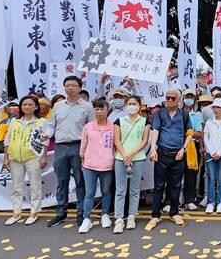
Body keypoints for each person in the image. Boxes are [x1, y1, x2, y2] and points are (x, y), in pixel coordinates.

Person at [42, 76, 94, 228]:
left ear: (79, 88)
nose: (70, 88)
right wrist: (47, 134)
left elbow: (90, 128)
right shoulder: (58, 106)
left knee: (80, 181)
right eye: (67, 85)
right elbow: (51, 125)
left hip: (79, 146)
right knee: (61, 180)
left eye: (73, 85)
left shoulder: (87, 106)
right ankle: (61, 212)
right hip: (60, 146)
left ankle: (81, 213)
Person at [146, 88, 193, 230]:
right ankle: (155, 214)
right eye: (168, 97)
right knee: (159, 185)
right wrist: (153, 148)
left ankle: (174, 212)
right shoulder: (159, 113)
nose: (170, 100)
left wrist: (184, 148)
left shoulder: (184, 115)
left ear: (179, 100)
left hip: (178, 154)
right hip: (162, 153)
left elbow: (189, 133)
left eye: (173, 98)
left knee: (176, 185)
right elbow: (155, 131)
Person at [2, 95, 47, 226]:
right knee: (16, 186)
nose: (27, 107)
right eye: (24, 104)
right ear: (21, 107)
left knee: (35, 185)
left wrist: (44, 156)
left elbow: (45, 141)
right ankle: (16, 212)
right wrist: (6, 157)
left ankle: (34, 212)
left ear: (36, 107)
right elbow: (7, 140)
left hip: (33, 157)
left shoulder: (41, 122)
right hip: (15, 157)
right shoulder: (14, 121)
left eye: (30, 104)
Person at [113, 95, 150, 233]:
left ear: (139, 106)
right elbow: (117, 140)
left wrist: (131, 155)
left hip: (138, 158)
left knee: (135, 190)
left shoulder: (145, 122)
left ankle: (131, 217)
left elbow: (144, 141)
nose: (132, 106)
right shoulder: (119, 121)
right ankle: (118, 219)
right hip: (120, 159)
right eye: (129, 103)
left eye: (134, 103)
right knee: (120, 190)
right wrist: (124, 155)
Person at [79, 99, 115, 233]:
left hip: (107, 164)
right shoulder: (88, 126)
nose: (99, 112)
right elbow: (83, 145)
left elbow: (116, 145)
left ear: (107, 110)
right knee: (89, 193)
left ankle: (105, 214)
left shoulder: (113, 127)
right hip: (90, 164)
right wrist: (82, 158)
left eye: (102, 109)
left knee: (106, 191)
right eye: (97, 109)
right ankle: (86, 218)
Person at [182, 88, 203, 211]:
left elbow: (199, 133)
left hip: (192, 146)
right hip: (178, 145)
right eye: (187, 96)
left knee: (191, 173)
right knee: (176, 174)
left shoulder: (197, 115)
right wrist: (190, 133)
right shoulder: (178, 112)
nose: (189, 99)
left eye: (191, 96)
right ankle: (174, 200)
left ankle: (190, 199)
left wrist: (189, 134)